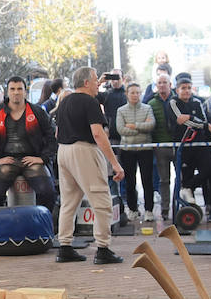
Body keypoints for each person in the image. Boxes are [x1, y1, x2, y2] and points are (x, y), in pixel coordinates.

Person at [54, 67, 126, 264]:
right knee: (101, 200)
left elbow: (57, 133)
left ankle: (65, 246)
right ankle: (103, 248)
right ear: (86, 83)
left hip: (64, 150)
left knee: (68, 202)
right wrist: (115, 163)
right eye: (95, 80)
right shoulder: (90, 102)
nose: (98, 84)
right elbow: (98, 134)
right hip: (84, 150)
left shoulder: (65, 101)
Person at [0, 76, 56, 211]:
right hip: (7, 161)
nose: (16, 92)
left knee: (48, 193)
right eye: (12, 89)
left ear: (25, 92)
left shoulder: (38, 112)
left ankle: (44, 228)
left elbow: (52, 137)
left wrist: (42, 158)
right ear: (7, 92)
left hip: (32, 161)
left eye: (19, 89)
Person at [169, 74, 211, 221]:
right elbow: (183, 121)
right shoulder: (173, 102)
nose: (186, 91)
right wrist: (200, 123)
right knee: (184, 175)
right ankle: (186, 216)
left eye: (188, 88)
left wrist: (194, 119)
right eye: (183, 88)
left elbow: (202, 121)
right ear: (177, 89)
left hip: (199, 146)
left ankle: (189, 186)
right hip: (183, 148)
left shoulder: (197, 102)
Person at [115, 82, 156, 222]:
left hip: (145, 149)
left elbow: (151, 125)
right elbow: (121, 129)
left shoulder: (147, 108)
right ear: (127, 94)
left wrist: (134, 126)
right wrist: (141, 128)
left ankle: (149, 210)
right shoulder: (121, 110)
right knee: (130, 181)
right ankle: (132, 209)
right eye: (132, 92)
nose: (135, 95)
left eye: (138, 92)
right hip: (127, 150)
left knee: (147, 180)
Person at [147, 73, 175, 216]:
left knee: (182, 180)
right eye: (160, 83)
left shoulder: (177, 101)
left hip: (178, 146)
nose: (162, 85)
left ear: (170, 85)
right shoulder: (151, 104)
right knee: (164, 180)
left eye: (165, 82)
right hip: (160, 147)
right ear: (156, 86)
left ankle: (179, 206)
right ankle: (165, 209)